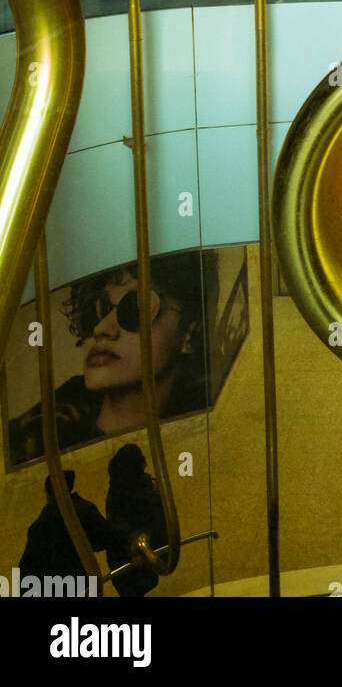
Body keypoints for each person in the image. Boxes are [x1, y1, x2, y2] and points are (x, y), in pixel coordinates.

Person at [8, 254, 214, 465]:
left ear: (189, 335)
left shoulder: (207, 443)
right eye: (96, 311)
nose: (101, 328)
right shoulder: (30, 445)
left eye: (136, 308)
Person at [20, 471, 123, 585]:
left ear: (47, 493)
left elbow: (29, 565)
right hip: (79, 581)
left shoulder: (41, 524)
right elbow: (107, 537)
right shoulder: (83, 510)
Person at [105, 445, 166, 597]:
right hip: (132, 555)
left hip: (134, 554)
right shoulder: (131, 489)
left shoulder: (121, 489)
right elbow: (122, 526)